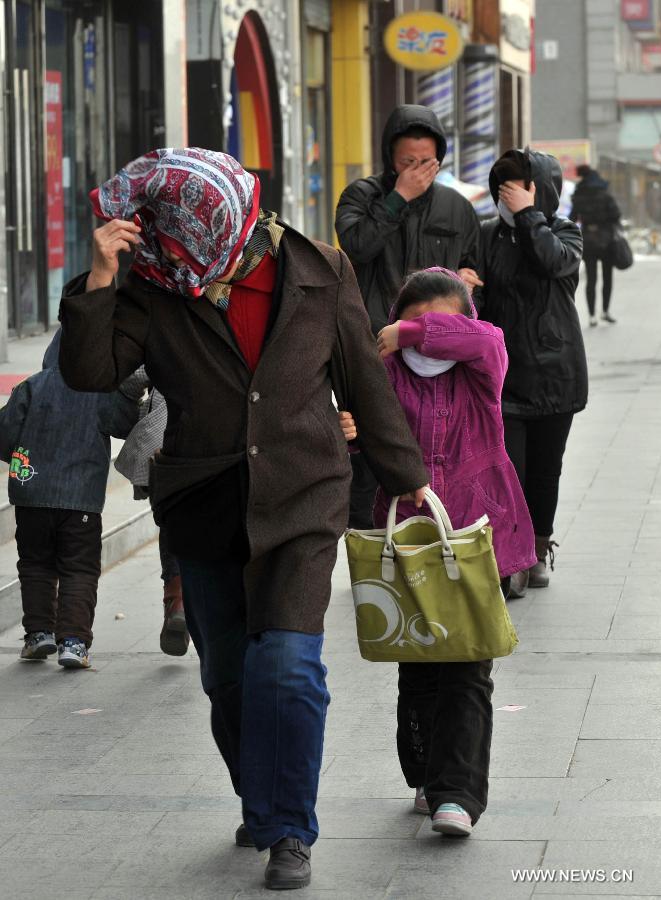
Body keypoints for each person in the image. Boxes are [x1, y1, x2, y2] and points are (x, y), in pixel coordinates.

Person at [57, 148, 429, 891]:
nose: (179, 252)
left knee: (286, 670)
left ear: (229, 220)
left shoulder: (321, 269)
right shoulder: (156, 283)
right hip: (202, 502)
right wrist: (100, 276)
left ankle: (288, 829)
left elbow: (362, 374)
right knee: (227, 679)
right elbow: (88, 373)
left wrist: (409, 480)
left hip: (303, 496)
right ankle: (262, 800)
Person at [352, 267, 534, 836]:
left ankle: (458, 794)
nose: (430, 335)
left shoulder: (482, 370)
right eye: (416, 319)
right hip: (408, 536)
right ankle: (428, 777)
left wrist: (410, 332)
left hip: (476, 536)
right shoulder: (380, 372)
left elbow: (487, 338)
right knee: (420, 663)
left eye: (442, 323)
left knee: (468, 663)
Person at [335, 104, 481, 530]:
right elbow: (356, 245)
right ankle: (371, 551)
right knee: (367, 455)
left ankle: (434, 546)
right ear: (389, 157)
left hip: (439, 358)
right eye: (407, 162)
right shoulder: (361, 196)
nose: (418, 170)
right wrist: (399, 198)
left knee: (435, 454)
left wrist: (470, 282)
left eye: (427, 163)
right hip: (373, 350)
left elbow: (473, 266)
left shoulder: (456, 207)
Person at [477, 148, 588, 589]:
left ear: (539, 191)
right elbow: (478, 301)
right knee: (507, 470)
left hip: (554, 374)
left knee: (545, 470)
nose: (509, 199)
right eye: (503, 190)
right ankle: (511, 555)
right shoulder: (486, 236)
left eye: (518, 188)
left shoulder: (565, 233)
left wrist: (528, 216)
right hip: (502, 375)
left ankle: (537, 550)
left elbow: (551, 262)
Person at [0, 330, 140, 668]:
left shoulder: (31, 387)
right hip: (81, 501)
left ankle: (37, 635)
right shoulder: (100, 391)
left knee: (35, 564)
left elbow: (4, 436)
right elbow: (125, 423)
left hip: (31, 496)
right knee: (78, 568)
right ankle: (74, 643)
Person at [114, 368, 189, 656]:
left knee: (171, 521)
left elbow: (131, 377)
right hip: (220, 443)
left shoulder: (168, 324)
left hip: (163, 444)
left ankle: (176, 601)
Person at [570, 165, 622, 326]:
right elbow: (616, 215)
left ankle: (592, 315)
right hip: (606, 239)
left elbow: (572, 218)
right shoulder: (604, 193)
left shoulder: (578, 194)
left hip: (588, 239)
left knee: (591, 278)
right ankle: (605, 312)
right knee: (607, 277)